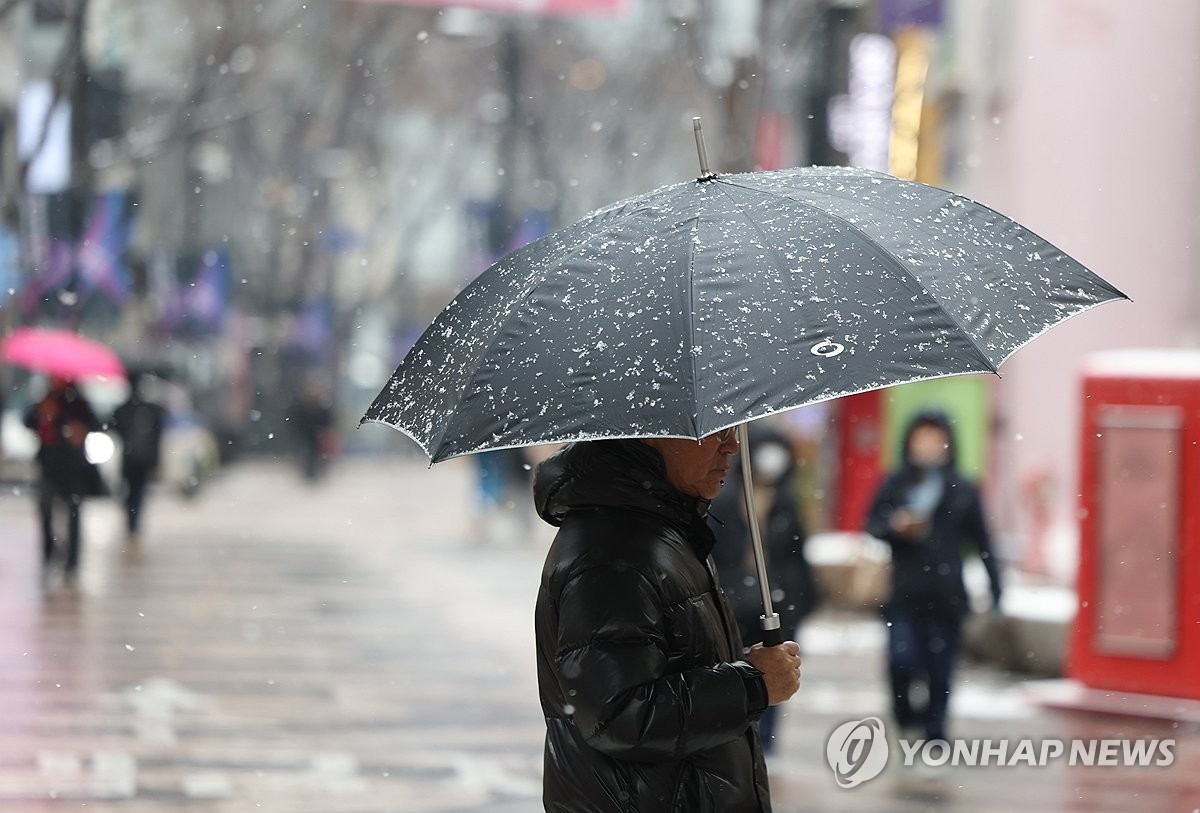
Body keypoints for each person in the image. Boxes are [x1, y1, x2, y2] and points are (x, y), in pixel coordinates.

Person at [533, 431, 802, 812]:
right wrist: (752, 685)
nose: (732, 446)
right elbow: (619, 715)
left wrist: (746, 672)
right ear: (651, 439)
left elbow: (670, 664)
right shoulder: (613, 557)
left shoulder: (663, 529)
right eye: (715, 434)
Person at [865, 410, 1003, 744]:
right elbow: (872, 525)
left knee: (939, 672)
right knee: (901, 661)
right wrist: (896, 526)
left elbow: (983, 542)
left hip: (947, 597)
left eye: (935, 437)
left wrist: (997, 589)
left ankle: (935, 735)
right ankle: (905, 718)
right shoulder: (896, 482)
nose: (928, 445)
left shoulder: (962, 488)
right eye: (921, 437)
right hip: (904, 596)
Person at [711, 425, 818, 753]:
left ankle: (764, 746)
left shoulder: (787, 502)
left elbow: (798, 555)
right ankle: (742, 742)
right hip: (734, 602)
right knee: (739, 672)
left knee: (775, 671)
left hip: (775, 603)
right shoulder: (725, 497)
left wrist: (799, 598)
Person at [24, 376, 103, 581]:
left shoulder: (79, 403)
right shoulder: (47, 400)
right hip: (49, 466)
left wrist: (79, 429)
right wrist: (42, 415)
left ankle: (72, 562)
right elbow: (29, 420)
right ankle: (50, 551)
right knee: (45, 507)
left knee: (74, 513)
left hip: (73, 468)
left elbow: (95, 424)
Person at [111, 373, 167, 541]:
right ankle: (133, 523)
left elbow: (115, 427)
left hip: (131, 459)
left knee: (133, 492)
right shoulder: (148, 410)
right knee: (137, 492)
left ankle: (132, 523)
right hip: (140, 460)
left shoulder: (125, 409)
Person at [287, 377, 335, 481]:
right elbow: (295, 425)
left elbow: (328, 425)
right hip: (306, 441)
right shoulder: (301, 408)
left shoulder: (323, 408)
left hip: (318, 442)